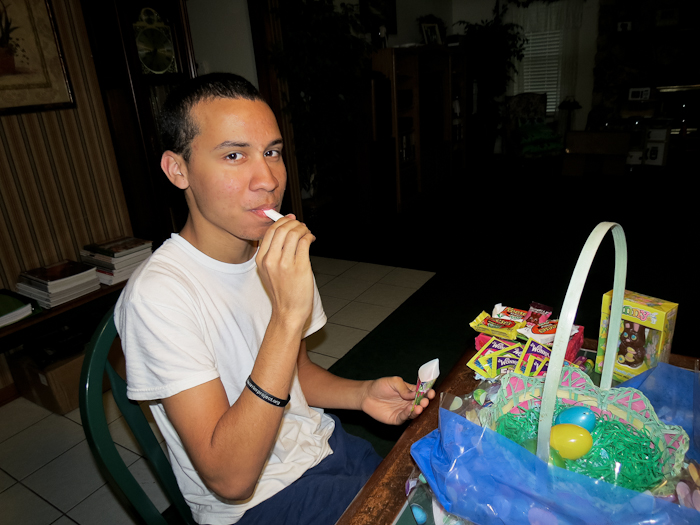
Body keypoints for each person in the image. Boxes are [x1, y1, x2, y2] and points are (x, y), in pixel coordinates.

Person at [114, 72, 435, 525]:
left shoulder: (272, 255)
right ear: (177, 170)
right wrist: (286, 316)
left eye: (272, 152)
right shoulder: (159, 296)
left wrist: (363, 394)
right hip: (257, 504)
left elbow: (297, 373)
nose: (267, 179)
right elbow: (230, 478)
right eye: (234, 155)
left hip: (325, 446)